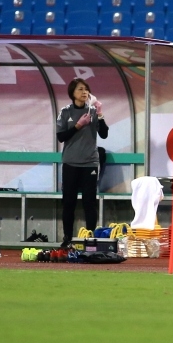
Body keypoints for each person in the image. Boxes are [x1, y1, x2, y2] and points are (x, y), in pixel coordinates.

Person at [56, 77, 109, 247]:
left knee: (89, 202)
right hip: (71, 163)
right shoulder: (65, 112)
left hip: (90, 164)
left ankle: (91, 238)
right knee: (69, 202)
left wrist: (99, 114)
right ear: (72, 93)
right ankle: (67, 239)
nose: (84, 92)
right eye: (80, 89)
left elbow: (104, 134)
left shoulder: (93, 112)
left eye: (86, 89)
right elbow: (61, 136)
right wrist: (78, 125)